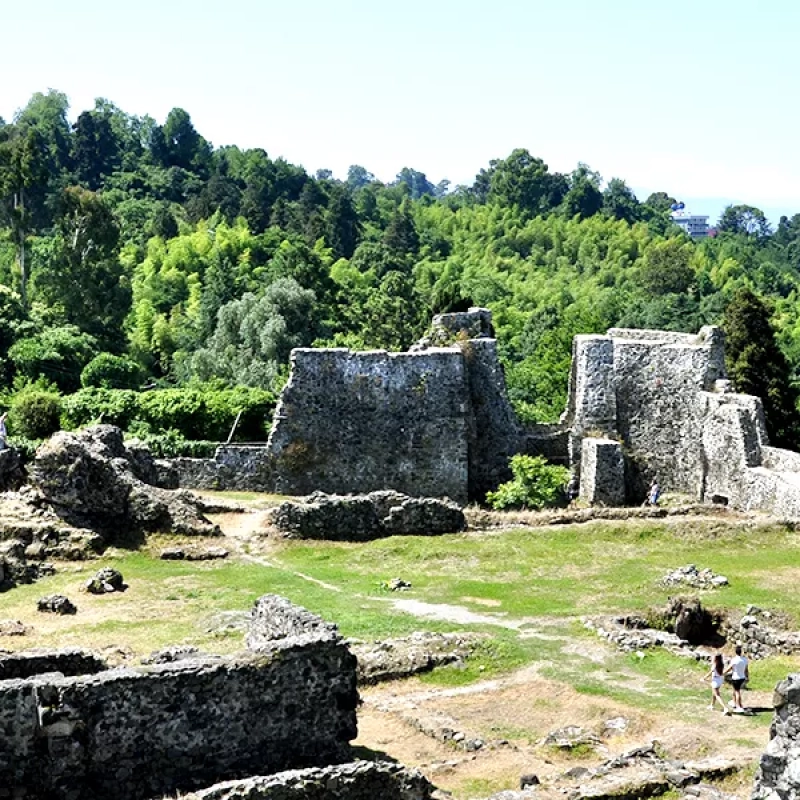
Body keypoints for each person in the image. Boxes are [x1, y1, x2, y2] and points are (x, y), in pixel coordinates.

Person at [725, 645, 749, 712]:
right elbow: (746, 670)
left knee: (737, 692)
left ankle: (738, 707)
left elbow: (728, 668)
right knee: (734, 690)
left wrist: (722, 673)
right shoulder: (745, 660)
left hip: (736, 678)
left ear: (736, 652)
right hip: (742, 677)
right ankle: (734, 702)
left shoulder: (734, 660)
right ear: (741, 652)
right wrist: (747, 676)